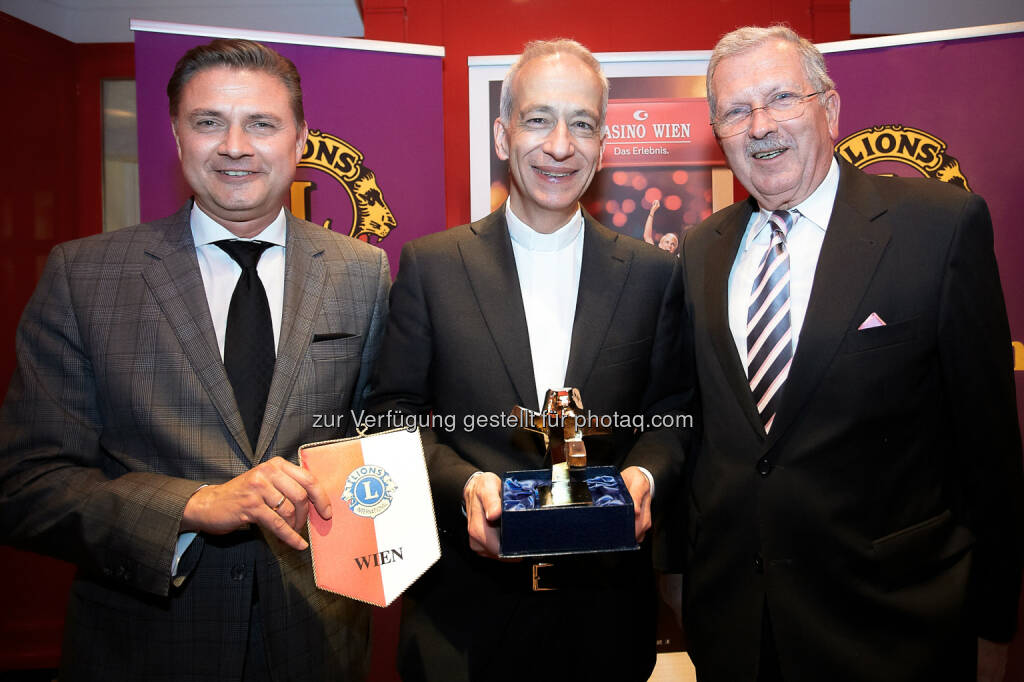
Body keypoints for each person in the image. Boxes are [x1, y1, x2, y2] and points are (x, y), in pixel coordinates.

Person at [0, 39, 390, 681]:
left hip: (315, 642)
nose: (235, 145)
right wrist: (193, 504)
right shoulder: (85, 275)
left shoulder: (361, 272)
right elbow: (27, 485)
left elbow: (380, 441)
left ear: (299, 142)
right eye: (209, 122)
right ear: (177, 136)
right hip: (145, 645)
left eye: (262, 124)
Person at [679, 25, 1024, 682]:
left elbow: (990, 453)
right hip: (741, 633)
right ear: (718, 133)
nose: (760, 125)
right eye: (735, 110)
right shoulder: (701, 251)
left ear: (830, 109)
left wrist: (994, 622)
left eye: (782, 98)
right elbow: (704, 436)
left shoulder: (940, 227)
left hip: (894, 631)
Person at [367, 39, 689, 682]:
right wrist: (464, 484)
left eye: (583, 124)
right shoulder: (432, 266)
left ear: (603, 145)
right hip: (462, 616)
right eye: (538, 119)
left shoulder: (653, 275)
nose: (560, 145)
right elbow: (390, 414)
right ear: (501, 132)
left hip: (606, 618)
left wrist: (645, 478)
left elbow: (672, 412)